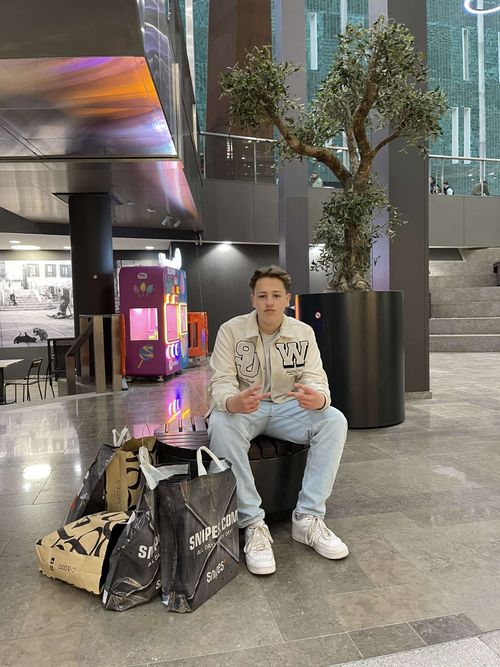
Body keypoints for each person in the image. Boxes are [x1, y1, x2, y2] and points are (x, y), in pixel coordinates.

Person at [207, 265, 348, 576]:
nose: (269, 302)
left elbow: (315, 376)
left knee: (334, 420)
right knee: (221, 423)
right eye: (262, 296)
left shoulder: (303, 332)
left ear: (287, 299)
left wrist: (319, 398)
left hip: (288, 407)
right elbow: (221, 380)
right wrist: (232, 401)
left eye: (275, 295)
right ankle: (253, 524)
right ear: (252, 300)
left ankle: (308, 518)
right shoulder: (231, 331)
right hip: (246, 407)